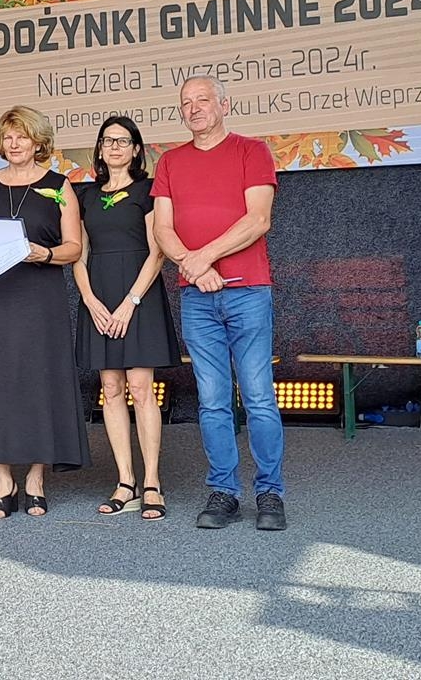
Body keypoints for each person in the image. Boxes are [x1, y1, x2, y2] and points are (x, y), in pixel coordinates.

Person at [151, 77, 283, 532]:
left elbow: (258, 219)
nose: (194, 108)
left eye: (203, 100)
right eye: (186, 102)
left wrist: (201, 258)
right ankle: (224, 491)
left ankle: (270, 493)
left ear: (225, 104)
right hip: (197, 297)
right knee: (211, 401)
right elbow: (162, 230)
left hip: (248, 293)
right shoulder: (170, 161)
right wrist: (194, 268)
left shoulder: (252, 151)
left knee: (259, 397)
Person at [0, 105, 88, 518]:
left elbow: (74, 248)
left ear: (38, 142)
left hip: (38, 297)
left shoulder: (59, 186)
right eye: (8, 137)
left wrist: (43, 253)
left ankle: (35, 479)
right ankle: (3, 480)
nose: (14, 144)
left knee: (37, 382)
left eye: (22, 137)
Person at [73, 115, 180, 522]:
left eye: (122, 141)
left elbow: (158, 251)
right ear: (99, 150)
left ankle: (152, 482)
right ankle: (125, 482)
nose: (114, 147)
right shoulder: (85, 195)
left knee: (140, 386)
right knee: (111, 387)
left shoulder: (148, 191)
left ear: (136, 149)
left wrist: (130, 301)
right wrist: (91, 301)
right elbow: (78, 253)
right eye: (107, 141)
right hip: (98, 298)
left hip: (139, 297)